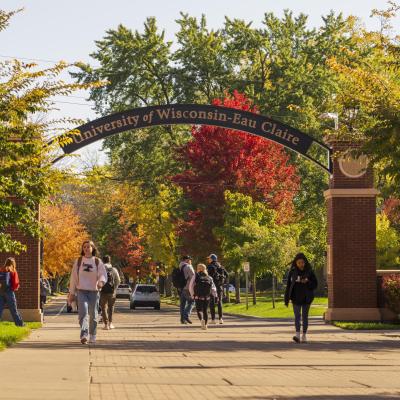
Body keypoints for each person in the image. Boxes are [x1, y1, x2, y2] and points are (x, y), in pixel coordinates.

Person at [68, 240, 107, 344]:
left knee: (93, 315)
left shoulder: (97, 261)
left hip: (94, 292)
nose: (86, 248)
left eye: (88, 247)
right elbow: (74, 278)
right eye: (84, 247)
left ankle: (93, 335)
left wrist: (101, 282)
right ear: (82, 249)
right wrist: (72, 293)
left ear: (92, 248)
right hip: (81, 291)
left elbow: (102, 274)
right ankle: (84, 334)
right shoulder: (79, 261)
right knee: (83, 313)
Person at [284, 253, 318, 343]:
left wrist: (307, 281)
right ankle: (297, 334)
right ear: (296, 263)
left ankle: (304, 335)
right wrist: (287, 298)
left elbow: (315, 284)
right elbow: (288, 286)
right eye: (299, 263)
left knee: (305, 316)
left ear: (305, 262)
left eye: (302, 262)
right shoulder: (292, 272)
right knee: (297, 316)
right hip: (296, 297)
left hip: (307, 298)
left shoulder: (309, 271)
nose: (301, 264)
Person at [189, 263, 217, 330]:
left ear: (198, 269)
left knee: (199, 310)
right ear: (205, 269)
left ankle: (201, 320)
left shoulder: (195, 276)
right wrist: (215, 295)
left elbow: (191, 286)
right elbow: (213, 288)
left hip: (198, 296)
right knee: (205, 310)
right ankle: (206, 325)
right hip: (207, 296)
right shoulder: (209, 277)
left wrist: (192, 295)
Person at [0, 258, 24, 326]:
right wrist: (15, 287)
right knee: (13, 310)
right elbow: (15, 283)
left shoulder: (1, 269)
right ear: (13, 263)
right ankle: (20, 324)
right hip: (9, 292)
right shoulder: (13, 271)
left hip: (1, 292)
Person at [99, 255, 121, 330]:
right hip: (112, 292)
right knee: (111, 307)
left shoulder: (101, 269)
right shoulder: (114, 269)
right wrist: (114, 288)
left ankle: (106, 324)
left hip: (103, 291)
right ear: (110, 261)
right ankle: (110, 323)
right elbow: (118, 280)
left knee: (103, 307)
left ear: (103, 261)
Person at [206, 254, 228, 324]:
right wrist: (222, 281)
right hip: (219, 287)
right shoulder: (221, 266)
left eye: (209, 258)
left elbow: (207, 276)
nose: (208, 260)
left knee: (212, 302)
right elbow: (227, 275)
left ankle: (213, 320)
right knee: (219, 302)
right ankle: (221, 319)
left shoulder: (209, 266)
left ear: (212, 259)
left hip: (212, 287)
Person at [178, 255, 195, 324]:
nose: (190, 261)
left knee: (182, 304)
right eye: (189, 259)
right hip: (188, 287)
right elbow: (193, 277)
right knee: (192, 302)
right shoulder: (188, 266)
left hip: (181, 287)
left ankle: (182, 319)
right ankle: (186, 315)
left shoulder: (179, 266)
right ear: (187, 260)